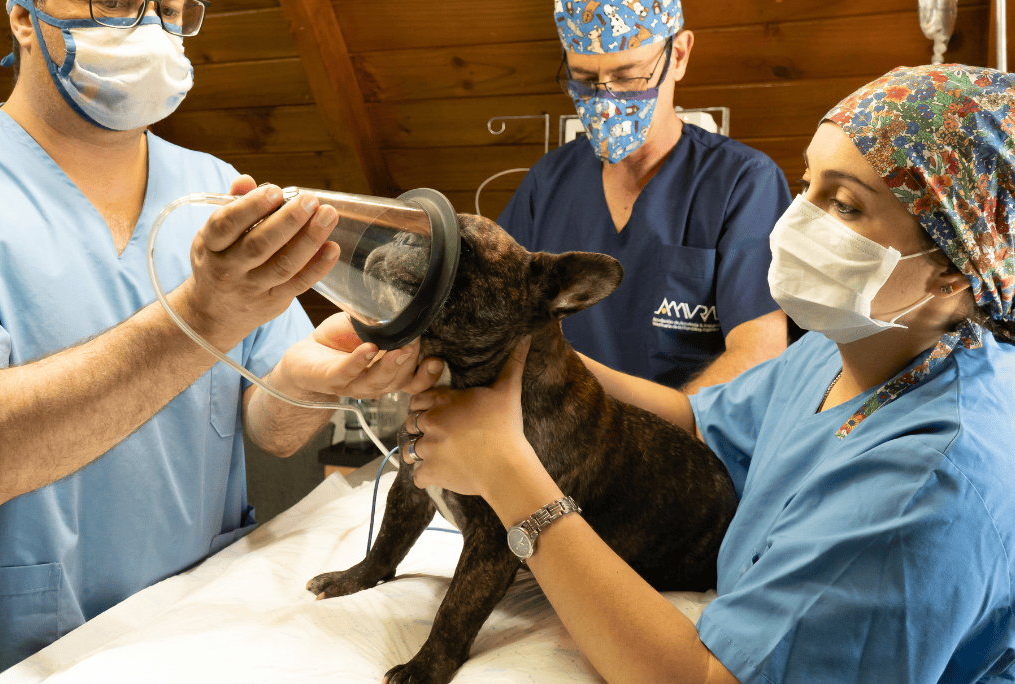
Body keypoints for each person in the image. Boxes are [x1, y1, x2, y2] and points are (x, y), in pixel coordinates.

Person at [0, 0, 440, 681]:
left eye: (168, 10)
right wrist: (201, 315)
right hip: (23, 645)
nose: (148, 31)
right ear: (24, 17)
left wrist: (316, 381)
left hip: (195, 623)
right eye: (112, 2)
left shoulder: (212, 188)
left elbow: (269, 423)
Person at [403, 64, 1015, 683]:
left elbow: (707, 679)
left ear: (954, 268)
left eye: (845, 205)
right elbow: (698, 420)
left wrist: (508, 472)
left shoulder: (924, 486)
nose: (793, 222)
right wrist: (516, 352)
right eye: (806, 184)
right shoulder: (848, 349)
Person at [496, 0, 791, 392]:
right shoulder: (548, 184)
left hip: (685, 432)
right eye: (584, 80)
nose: (606, 101)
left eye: (628, 76)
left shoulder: (743, 184)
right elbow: (492, 311)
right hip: (554, 430)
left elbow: (758, 356)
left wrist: (647, 429)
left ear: (679, 56)